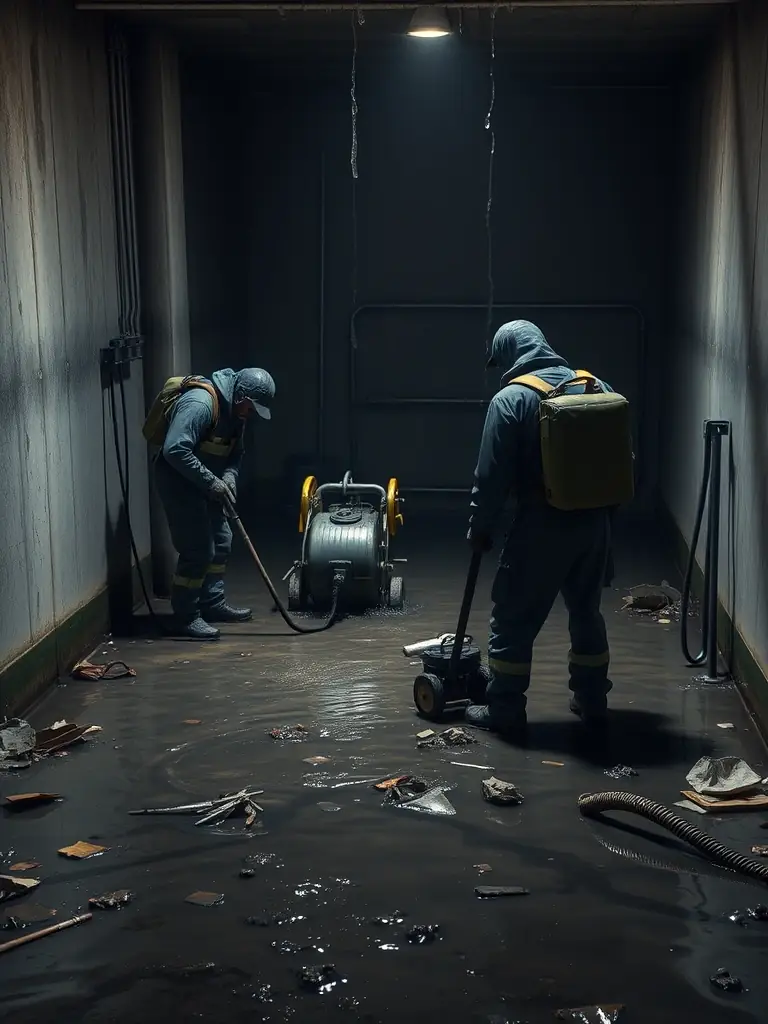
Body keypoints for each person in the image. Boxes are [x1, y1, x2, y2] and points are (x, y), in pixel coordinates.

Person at [465, 321, 613, 735]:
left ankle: (505, 709)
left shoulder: (511, 400)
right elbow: (621, 461)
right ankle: (592, 701)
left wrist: (479, 528)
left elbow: (490, 478)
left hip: (541, 526)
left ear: (508, 353)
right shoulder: (595, 386)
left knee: (511, 618)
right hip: (595, 525)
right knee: (587, 613)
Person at [154, 367, 275, 640]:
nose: (251, 414)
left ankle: (212, 602)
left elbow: (236, 453)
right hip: (179, 481)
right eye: (251, 408)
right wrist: (211, 481)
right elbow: (174, 449)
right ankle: (186, 616)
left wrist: (229, 477)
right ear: (241, 395)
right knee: (198, 549)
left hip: (209, 482)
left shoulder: (237, 413)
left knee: (222, 540)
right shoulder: (201, 404)